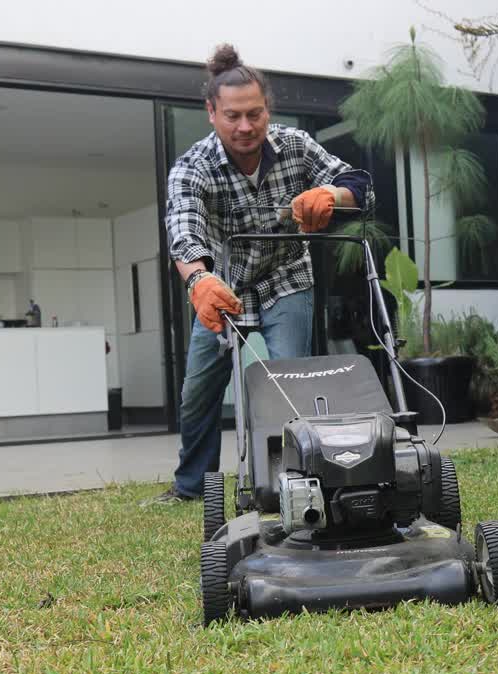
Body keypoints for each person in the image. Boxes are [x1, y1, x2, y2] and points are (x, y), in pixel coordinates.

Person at [144, 44, 372, 505]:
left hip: (286, 278)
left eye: (255, 114)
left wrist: (330, 194)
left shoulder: (295, 146)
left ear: (268, 109)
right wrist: (197, 281)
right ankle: (191, 486)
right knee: (197, 392)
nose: (245, 126)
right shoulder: (192, 167)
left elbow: (358, 185)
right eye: (232, 116)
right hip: (220, 288)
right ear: (211, 112)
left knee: (290, 384)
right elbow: (183, 230)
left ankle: (295, 477)